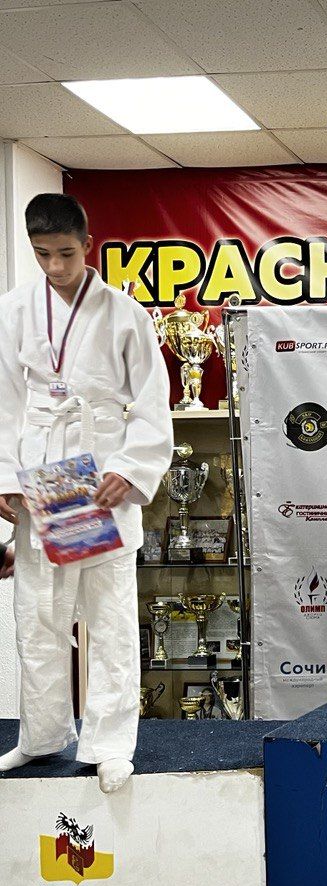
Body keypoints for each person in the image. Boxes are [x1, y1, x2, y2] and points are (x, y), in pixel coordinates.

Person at [0, 194, 174, 793]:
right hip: (42, 479)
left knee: (110, 619)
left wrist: (132, 467)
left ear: (88, 245)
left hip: (99, 476)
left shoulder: (125, 313)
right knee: (38, 616)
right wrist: (3, 474)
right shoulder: (14, 309)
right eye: (42, 254)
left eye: (66, 253)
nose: (54, 266)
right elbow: (5, 398)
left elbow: (152, 401)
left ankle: (110, 743)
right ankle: (42, 735)